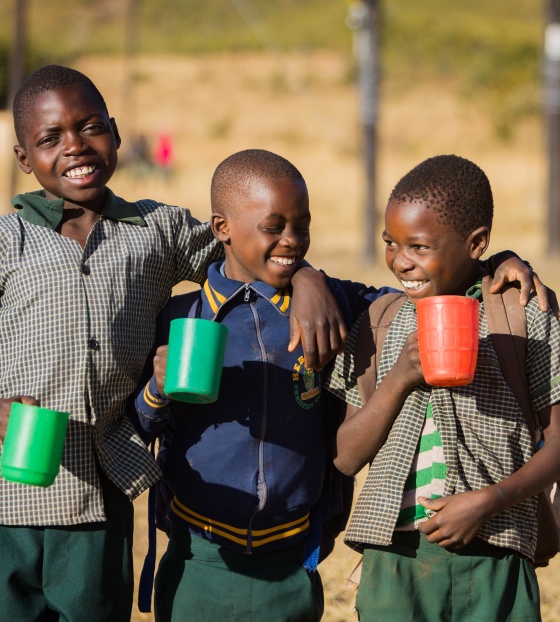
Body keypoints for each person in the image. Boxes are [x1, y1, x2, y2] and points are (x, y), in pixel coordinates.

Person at [132, 149, 547, 622]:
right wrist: (156, 391)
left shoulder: (337, 306)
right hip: (199, 557)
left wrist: (501, 262)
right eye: (275, 227)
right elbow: (136, 430)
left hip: (292, 562)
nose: (292, 241)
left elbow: (435, 284)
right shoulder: (179, 317)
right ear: (222, 228)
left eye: (302, 227)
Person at [0, 65, 352, 622]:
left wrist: (307, 278)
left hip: (101, 490)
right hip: (9, 490)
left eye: (90, 127)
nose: (75, 147)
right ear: (24, 158)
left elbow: (248, 252)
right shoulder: (7, 240)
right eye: (50, 139)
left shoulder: (156, 231)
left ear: (114, 131)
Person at [326, 154, 560, 622]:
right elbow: (345, 457)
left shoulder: (524, 315)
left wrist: (489, 501)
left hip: (497, 558)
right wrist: (400, 378)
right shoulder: (378, 323)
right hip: (395, 561)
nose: (400, 261)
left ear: (477, 244)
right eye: (390, 243)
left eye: (418, 246)